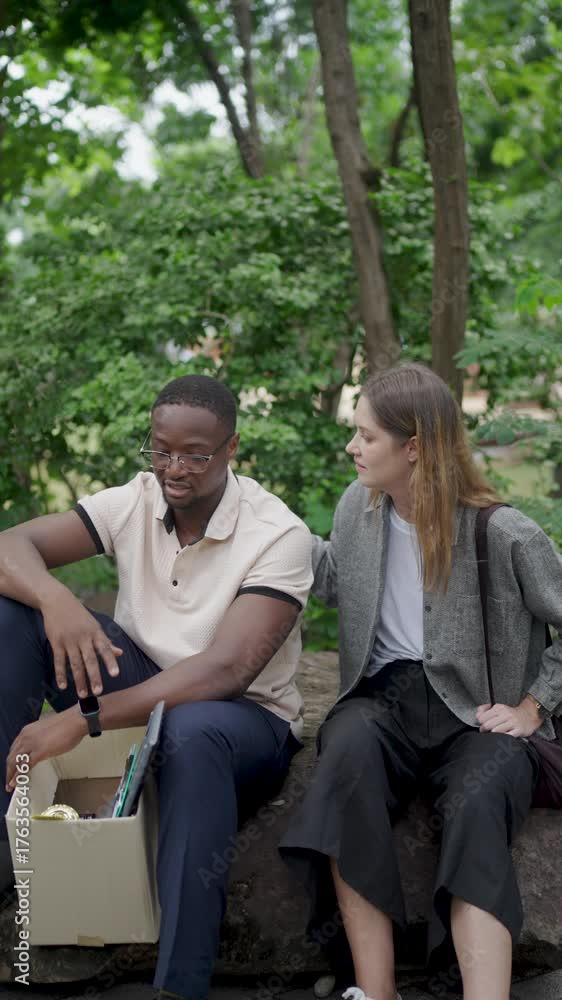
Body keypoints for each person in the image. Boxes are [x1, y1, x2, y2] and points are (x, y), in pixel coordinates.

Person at [0, 374, 312, 1000]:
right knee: (12, 617)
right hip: (143, 684)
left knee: (192, 727)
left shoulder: (279, 534)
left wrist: (80, 720)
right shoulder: (136, 500)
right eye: (161, 450)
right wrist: (57, 600)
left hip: (240, 723)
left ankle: (180, 984)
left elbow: (227, 671)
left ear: (231, 448)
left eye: (195, 455)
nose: (174, 469)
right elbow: (11, 544)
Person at [279, 363, 562, 1000]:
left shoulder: (502, 531)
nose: (351, 447)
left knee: (477, 804)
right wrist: (264, 526)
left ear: (414, 447)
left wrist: (533, 706)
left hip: (479, 712)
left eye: (366, 436)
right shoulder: (357, 508)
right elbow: (334, 579)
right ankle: (375, 991)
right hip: (383, 701)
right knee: (345, 755)